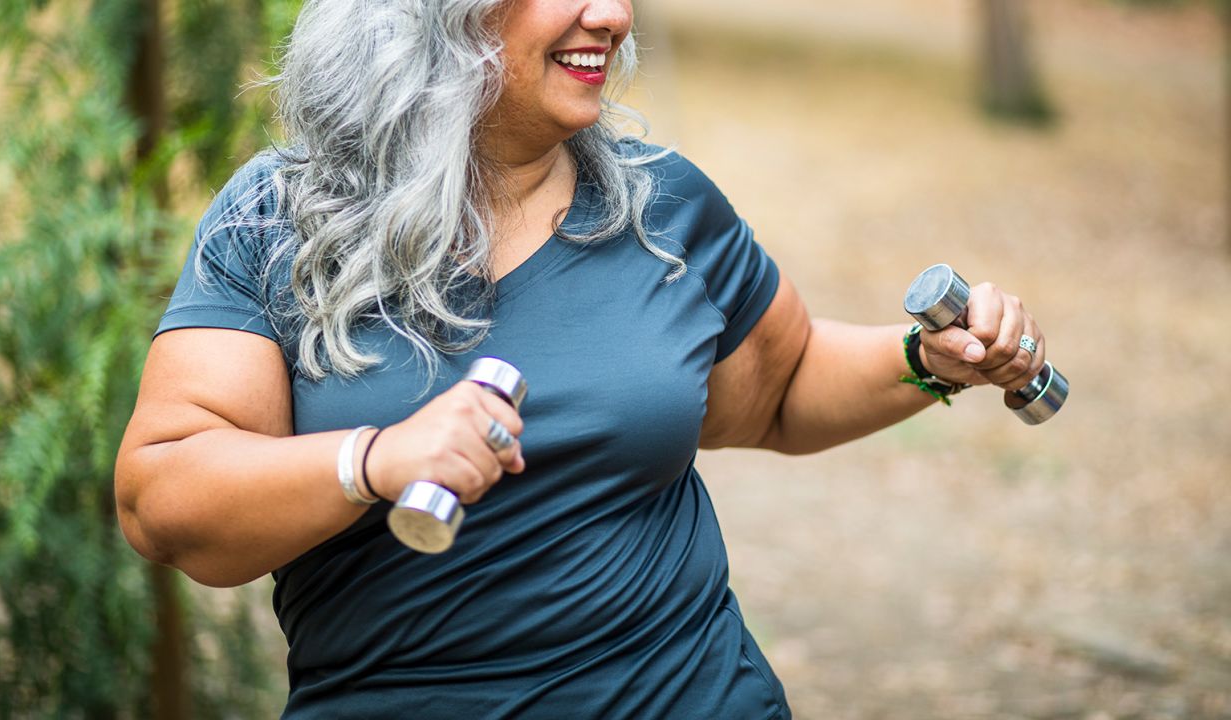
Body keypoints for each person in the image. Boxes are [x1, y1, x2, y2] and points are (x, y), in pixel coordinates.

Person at [114, 0, 1048, 717]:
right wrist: (373, 461)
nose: (612, 13)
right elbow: (164, 499)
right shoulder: (282, 219)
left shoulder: (664, 205)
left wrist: (929, 360)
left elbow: (776, 389)